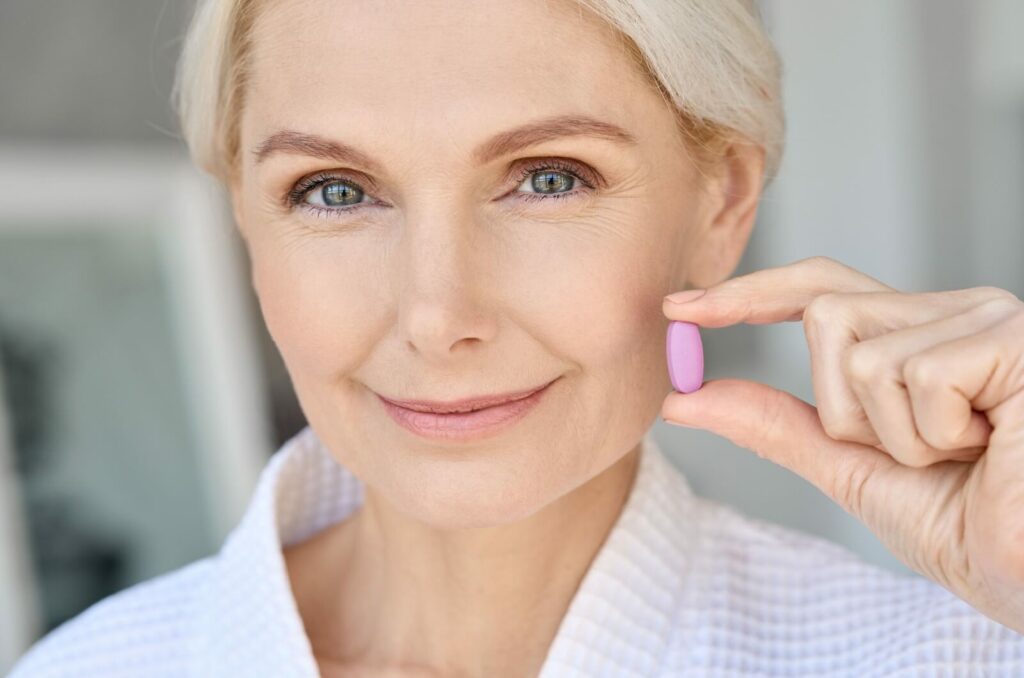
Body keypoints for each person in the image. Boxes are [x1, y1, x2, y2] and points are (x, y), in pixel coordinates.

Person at [11, 0, 1024, 675]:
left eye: (547, 177)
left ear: (719, 203)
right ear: (245, 219)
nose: (438, 315)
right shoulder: (92, 668)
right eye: (334, 191)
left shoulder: (946, 656)